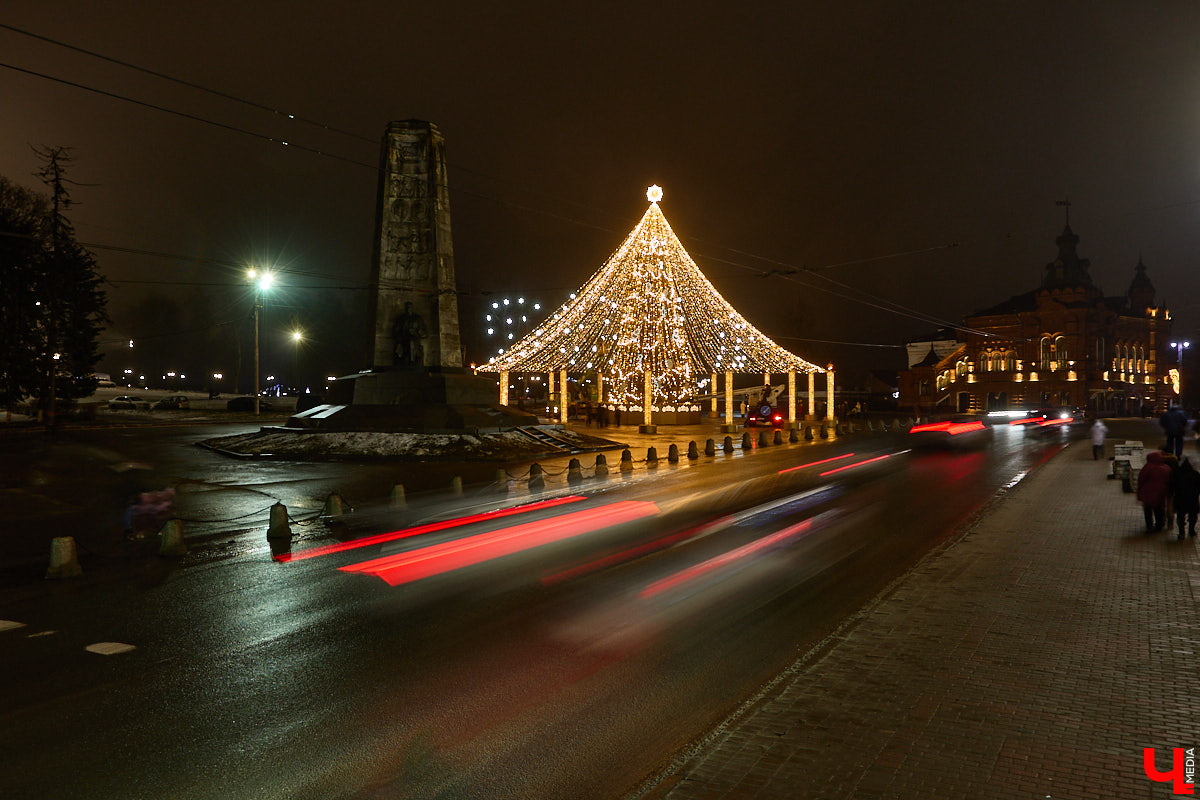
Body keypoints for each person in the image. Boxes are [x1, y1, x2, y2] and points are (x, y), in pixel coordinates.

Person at [1136, 450, 1172, 533]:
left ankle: (1149, 525)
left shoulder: (1147, 468)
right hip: (1160, 494)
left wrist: (1139, 489)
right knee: (1159, 510)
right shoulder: (1166, 468)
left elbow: (1141, 479)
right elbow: (1169, 481)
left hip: (1147, 493)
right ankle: (1159, 525)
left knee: (1147, 510)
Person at [1170, 457, 1200, 540]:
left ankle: (1181, 533)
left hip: (1180, 499)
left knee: (1180, 517)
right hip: (1192, 500)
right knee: (1193, 516)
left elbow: (1172, 486)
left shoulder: (1177, 474)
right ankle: (1191, 530)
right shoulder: (1195, 474)